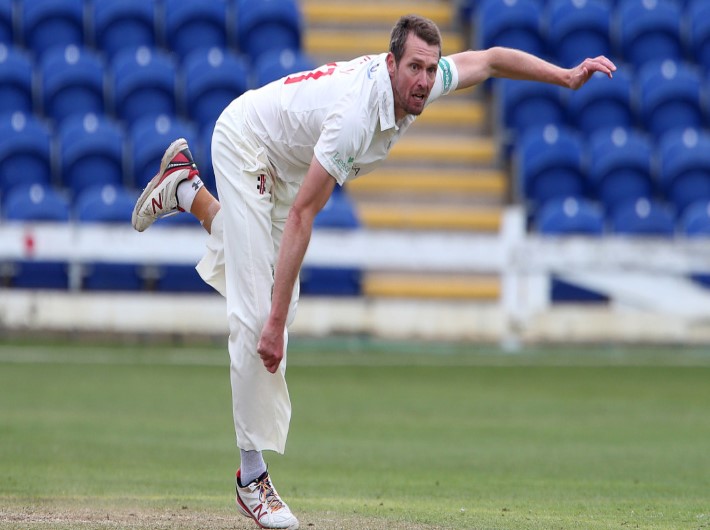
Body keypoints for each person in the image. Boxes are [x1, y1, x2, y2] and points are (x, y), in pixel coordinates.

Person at [131, 14, 616, 530]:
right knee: (258, 318)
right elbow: (302, 216)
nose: (425, 81)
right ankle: (252, 479)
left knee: (277, 306)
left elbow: (492, 60)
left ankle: (186, 189)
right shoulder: (357, 116)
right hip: (247, 144)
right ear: (391, 64)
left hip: (285, 161)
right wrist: (273, 324)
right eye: (414, 68)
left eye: (431, 68)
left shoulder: (421, 84)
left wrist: (565, 76)